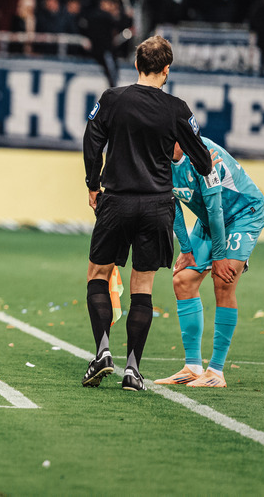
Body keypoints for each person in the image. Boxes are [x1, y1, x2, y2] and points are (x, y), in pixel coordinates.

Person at [81, 35, 213, 391]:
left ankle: (103, 351)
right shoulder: (176, 108)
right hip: (157, 205)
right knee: (142, 285)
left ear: (137, 65)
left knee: (98, 273)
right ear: (166, 69)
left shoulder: (112, 99)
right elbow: (200, 159)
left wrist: (93, 184)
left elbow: (92, 141)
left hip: (117, 200)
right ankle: (132, 369)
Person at [155, 139, 264, 388]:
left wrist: (219, 256)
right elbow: (170, 205)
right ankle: (193, 367)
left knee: (223, 280)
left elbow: (217, 210)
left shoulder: (204, 156)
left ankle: (215, 371)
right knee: (182, 280)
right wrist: (185, 250)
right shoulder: (158, 157)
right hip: (210, 219)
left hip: (243, 214)